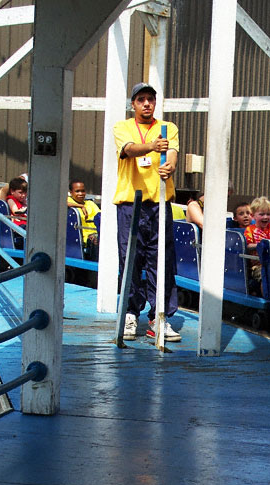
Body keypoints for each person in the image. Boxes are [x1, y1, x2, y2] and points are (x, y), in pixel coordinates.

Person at [113, 82, 181, 342]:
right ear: (133, 104)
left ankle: (160, 316)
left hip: (158, 204)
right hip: (131, 205)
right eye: (141, 99)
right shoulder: (123, 127)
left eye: (150, 99)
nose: (146, 104)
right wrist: (152, 147)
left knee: (161, 260)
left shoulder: (167, 128)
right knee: (130, 258)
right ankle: (130, 314)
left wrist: (170, 166)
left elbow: (172, 151)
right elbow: (128, 149)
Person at [244, 196, 270, 287]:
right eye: (262, 214)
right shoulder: (250, 229)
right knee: (265, 275)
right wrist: (260, 245)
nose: (265, 217)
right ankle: (266, 298)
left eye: (268, 214)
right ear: (253, 216)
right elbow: (248, 245)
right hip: (258, 264)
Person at [67, 179, 100, 261]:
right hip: (82, 238)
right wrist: (80, 206)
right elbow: (59, 202)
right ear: (71, 192)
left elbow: (99, 215)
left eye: (83, 191)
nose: (81, 194)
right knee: (95, 241)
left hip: (95, 232)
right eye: (77, 191)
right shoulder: (69, 200)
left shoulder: (90, 203)